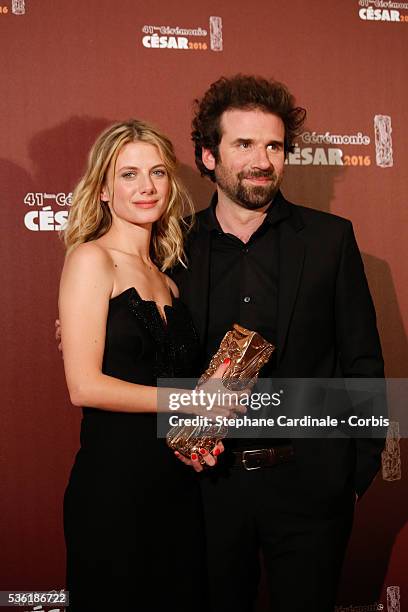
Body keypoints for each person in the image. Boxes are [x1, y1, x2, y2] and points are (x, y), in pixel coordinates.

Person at [169, 75, 385, 612]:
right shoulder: (174, 246)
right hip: (207, 491)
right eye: (243, 144)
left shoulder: (332, 239)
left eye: (274, 145)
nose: (261, 160)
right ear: (208, 155)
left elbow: (362, 360)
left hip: (313, 490)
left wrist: (355, 472)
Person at [58, 119, 235, 612]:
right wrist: (192, 401)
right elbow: (84, 386)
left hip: (177, 488)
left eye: (157, 172)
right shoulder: (91, 260)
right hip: (113, 488)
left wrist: (200, 435)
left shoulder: (170, 281)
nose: (146, 186)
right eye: (129, 174)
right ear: (104, 190)